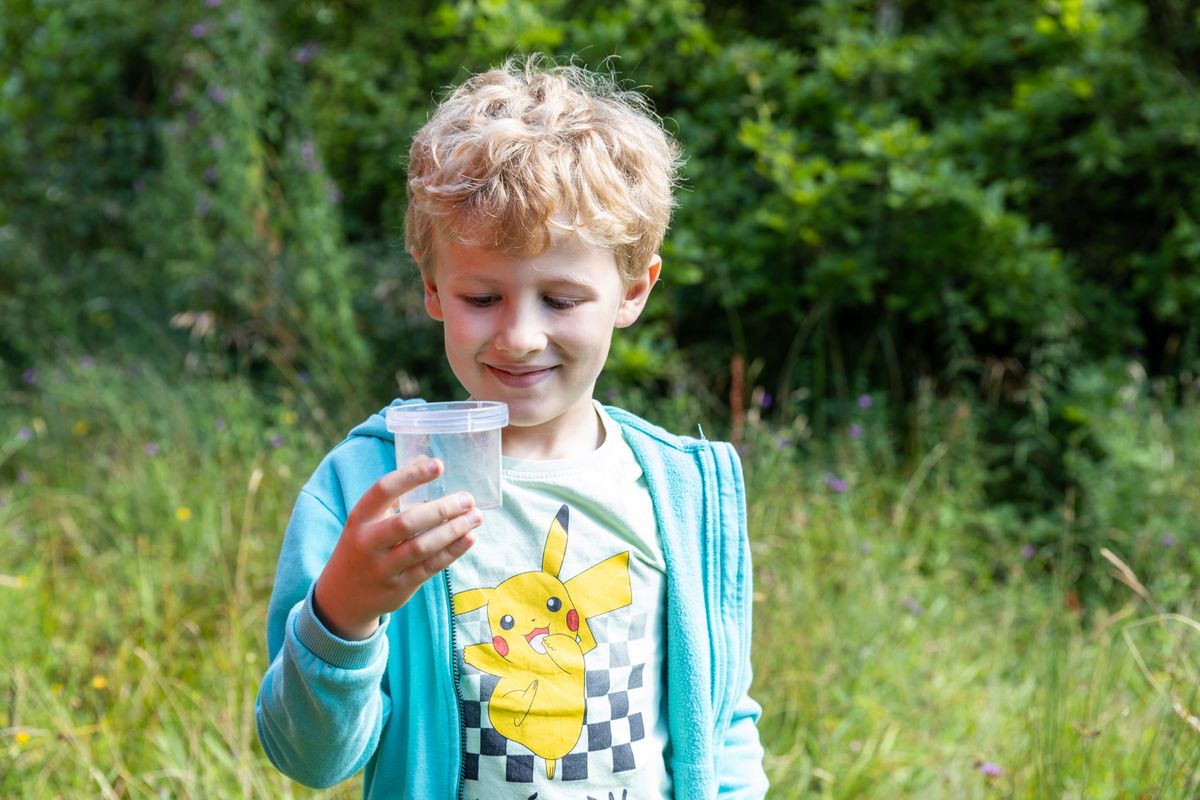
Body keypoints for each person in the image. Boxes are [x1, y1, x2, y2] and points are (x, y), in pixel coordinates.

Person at [255, 55, 768, 799]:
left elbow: (723, 724)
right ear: (433, 289)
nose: (521, 335)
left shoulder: (688, 493)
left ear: (633, 290)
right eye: (483, 296)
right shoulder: (373, 485)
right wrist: (344, 613)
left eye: (561, 300)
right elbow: (308, 759)